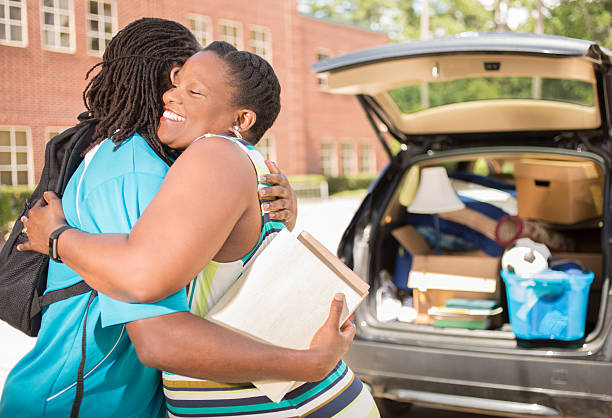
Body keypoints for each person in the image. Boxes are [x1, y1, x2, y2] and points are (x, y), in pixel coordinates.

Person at [0, 19, 351, 418]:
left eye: (193, 88)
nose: (173, 95)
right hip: (81, 400)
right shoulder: (135, 168)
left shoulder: (187, 164)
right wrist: (57, 239)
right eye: (177, 80)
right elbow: (156, 329)